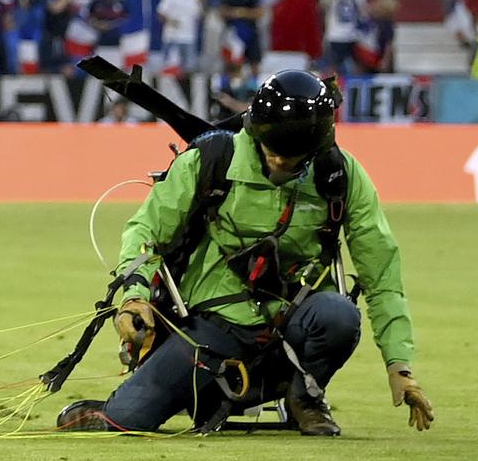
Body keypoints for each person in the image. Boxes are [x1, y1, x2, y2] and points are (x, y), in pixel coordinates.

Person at [55, 70, 434, 436]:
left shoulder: (339, 175)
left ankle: (306, 398)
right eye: (273, 152)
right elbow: (145, 230)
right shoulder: (212, 158)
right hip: (210, 325)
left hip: (291, 320)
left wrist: (399, 366)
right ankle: (182, 395)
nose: (279, 163)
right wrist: (134, 297)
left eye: (293, 157)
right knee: (128, 418)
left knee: (339, 315)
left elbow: (381, 273)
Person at [319, 0, 367, 75]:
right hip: (336, 34)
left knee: (358, 65)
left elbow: (362, 10)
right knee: (333, 65)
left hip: (353, 34)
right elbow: (322, 3)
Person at [156, 0, 203, 75]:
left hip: (189, 37)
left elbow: (199, 16)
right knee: (169, 67)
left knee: (189, 68)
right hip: (172, 36)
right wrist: (170, 21)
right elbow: (160, 12)